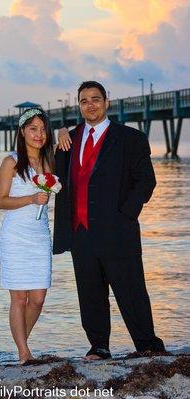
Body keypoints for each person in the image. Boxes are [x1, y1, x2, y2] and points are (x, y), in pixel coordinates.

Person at [53, 81, 165, 360]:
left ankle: (147, 345)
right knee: (90, 293)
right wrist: (61, 130)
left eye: (95, 99)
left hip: (118, 231)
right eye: (84, 101)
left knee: (131, 291)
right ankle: (99, 346)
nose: (90, 105)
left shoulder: (130, 138)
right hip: (80, 232)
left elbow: (146, 182)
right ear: (78, 106)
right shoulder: (68, 140)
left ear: (107, 102)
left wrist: (125, 215)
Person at [0, 108, 54, 364]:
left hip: (40, 236)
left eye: (43, 129)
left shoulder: (49, 161)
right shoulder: (11, 161)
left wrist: (63, 131)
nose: (39, 134)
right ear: (22, 132)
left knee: (38, 299)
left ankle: (21, 344)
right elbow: (1, 201)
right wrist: (31, 198)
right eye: (33, 129)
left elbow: (72, 139)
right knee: (19, 298)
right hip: (15, 236)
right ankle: (23, 353)